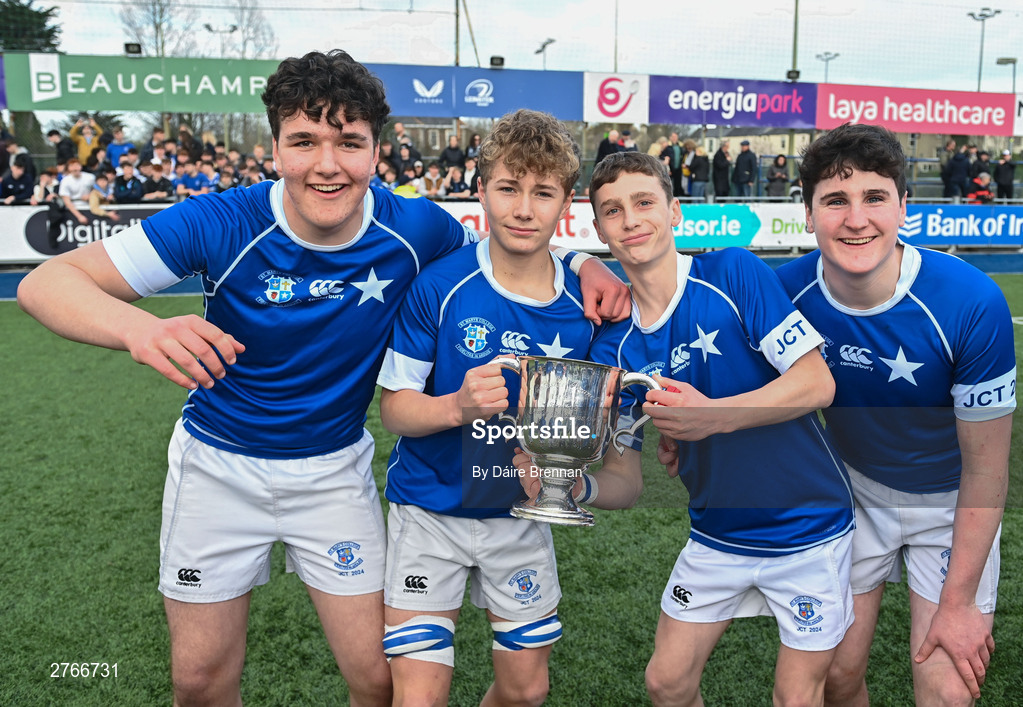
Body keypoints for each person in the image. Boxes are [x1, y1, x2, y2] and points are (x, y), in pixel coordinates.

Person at [17, 49, 628, 707]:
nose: (327, 163)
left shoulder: (414, 228)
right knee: (197, 680)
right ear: (275, 146)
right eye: (304, 140)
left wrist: (583, 263)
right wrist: (141, 330)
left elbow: (513, 238)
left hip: (333, 474)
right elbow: (47, 282)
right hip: (217, 469)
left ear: (376, 151)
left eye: (349, 142)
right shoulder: (219, 221)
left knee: (376, 678)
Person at [525, 150, 854, 706]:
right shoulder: (615, 349)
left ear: (675, 211)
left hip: (807, 528)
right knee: (667, 683)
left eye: (644, 202)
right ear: (597, 225)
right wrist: (571, 487)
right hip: (717, 535)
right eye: (613, 210)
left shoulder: (731, 272)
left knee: (797, 697)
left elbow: (816, 383)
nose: (631, 219)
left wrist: (712, 417)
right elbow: (626, 481)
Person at [776, 122, 1014, 707]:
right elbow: (684, 296)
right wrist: (587, 267)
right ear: (807, 214)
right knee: (836, 675)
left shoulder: (970, 300)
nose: (856, 219)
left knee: (947, 692)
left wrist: (957, 605)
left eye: (874, 197)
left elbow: (987, 470)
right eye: (835, 200)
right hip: (853, 494)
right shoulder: (785, 291)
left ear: (904, 206)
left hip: (951, 503)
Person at [378, 108, 600, 707]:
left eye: (542, 192)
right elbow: (394, 411)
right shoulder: (439, 285)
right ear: (482, 191)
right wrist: (455, 406)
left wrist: (566, 468)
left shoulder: (591, 301)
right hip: (429, 514)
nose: (524, 209)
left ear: (566, 202)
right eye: (508, 188)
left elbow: (591, 423)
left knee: (525, 693)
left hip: (519, 519)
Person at [660, 132, 684, 196]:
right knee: (668, 185)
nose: (674, 138)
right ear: (670, 138)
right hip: (670, 170)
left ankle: (678, 198)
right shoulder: (667, 147)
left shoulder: (681, 147)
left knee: (678, 185)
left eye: (675, 137)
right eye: (673, 137)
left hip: (678, 169)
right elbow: (661, 156)